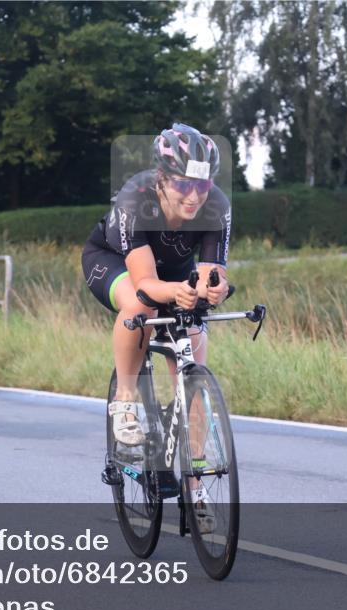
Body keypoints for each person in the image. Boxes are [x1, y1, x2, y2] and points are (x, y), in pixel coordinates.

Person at [82, 122, 231, 528]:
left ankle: (195, 483)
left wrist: (213, 288)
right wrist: (177, 291)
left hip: (174, 272)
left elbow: (211, 270)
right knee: (140, 306)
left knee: (195, 348)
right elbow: (147, 283)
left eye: (203, 186)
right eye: (184, 185)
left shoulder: (215, 204)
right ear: (163, 179)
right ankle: (127, 399)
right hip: (114, 263)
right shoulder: (136, 200)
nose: (195, 196)